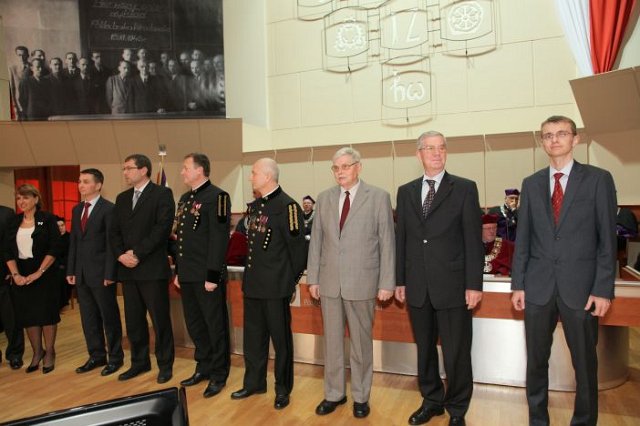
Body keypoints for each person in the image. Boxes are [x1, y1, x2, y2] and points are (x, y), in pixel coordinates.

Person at [511, 115, 617, 426]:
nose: (554, 139)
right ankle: (538, 420)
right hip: (538, 288)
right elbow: (523, 239)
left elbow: (607, 241)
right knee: (535, 363)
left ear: (575, 139)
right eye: (547, 135)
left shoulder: (598, 179)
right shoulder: (531, 184)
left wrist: (603, 289)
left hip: (581, 290)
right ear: (542, 142)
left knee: (584, 364)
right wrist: (518, 284)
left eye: (561, 133)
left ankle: (584, 421)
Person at [395, 131, 483, 426]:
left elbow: (473, 240)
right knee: (425, 349)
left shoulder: (464, 188)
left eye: (441, 148)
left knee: (457, 351)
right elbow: (402, 239)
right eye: (430, 148)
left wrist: (474, 284)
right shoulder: (406, 192)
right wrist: (400, 280)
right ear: (418, 154)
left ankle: (457, 408)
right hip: (418, 286)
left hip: (454, 286)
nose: (436, 153)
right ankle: (432, 400)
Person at [306, 147, 395, 419]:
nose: (340, 172)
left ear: (358, 167)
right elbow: (317, 241)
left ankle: (360, 396)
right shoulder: (324, 198)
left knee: (360, 345)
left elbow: (387, 242)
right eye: (336, 167)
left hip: (363, 282)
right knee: (332, 343)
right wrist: (313, 278)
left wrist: (387, 282)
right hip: (330, 283)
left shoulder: (378, 197)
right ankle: (334, 393)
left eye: (345, 166)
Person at [230, 158, 306, 410]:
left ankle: (282, 388)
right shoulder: (255, 207)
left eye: (253, 173)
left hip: (275, 286)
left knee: (281, 341)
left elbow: (298, 250)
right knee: (253, 338)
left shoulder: (288, 207)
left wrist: (289, 281)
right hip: (253, 284)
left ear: (267, 176)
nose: (250, 177)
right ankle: (254, 382)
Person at [110, 154, 175, 383]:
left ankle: (165, 365)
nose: (125, 173)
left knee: (159, 320)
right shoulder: (122, 198)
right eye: (124, 169)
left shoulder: (162, 194)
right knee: (134, 321)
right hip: (128, 270)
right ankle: (139, 362)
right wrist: (120, 255)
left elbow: (162, 229)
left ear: (144, 170)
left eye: (129, 168)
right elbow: (114, 231)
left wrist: (137, 253)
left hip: (151, 268)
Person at [174, 153, 231, 398]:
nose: (182, 172)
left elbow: (219, 239)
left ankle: (219, 373)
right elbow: (182, 240)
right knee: (195, 325)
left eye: (186, 168)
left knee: (214, 326)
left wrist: (212, 275)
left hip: (207, 276)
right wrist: (179, 271)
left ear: (200, 170)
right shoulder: (185, 199)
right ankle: (203, 366)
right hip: (188, 274)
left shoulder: (219, 197)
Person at [67, 169, 123, 376]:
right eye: (79, 181)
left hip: (101, 273)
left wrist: (110, 273)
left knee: (109, 317)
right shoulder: (76, 209)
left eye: (85, 181)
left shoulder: (109, 209)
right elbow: (74, 241)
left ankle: (115, 357)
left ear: (98, 185)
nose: (80, 185)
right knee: (88, 318)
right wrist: (71, 269)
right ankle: (96, 355)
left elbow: (111, 244)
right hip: (81, 273)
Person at [5, 184, 61, 374]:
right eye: (19, 198)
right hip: (21, 273)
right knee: (28, 316)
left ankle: (50, 352)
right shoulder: (13, 221)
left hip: (45, 272)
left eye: (25, 197)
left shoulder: (47, 219)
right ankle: (37, 352)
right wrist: (15, 275)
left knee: (46, 314)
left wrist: (39, 272)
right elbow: (6, 251)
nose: (21, 202)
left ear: (36, 199)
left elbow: (55, 247)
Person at [0, 204, 24, 370]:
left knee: (11, 318)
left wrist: (12, 270)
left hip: (4, 274)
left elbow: (13, 244)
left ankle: (15, 354)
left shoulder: (6, 214)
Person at [55, 216, 71, 308]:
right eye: (58, 226)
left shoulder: (70, 237)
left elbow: (70, 255)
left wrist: (61, 264)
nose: (61, 227)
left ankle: (61, 304)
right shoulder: (53, 238)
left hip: (66, 266)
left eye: (62, 225)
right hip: (55, 265)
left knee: (60, 277)